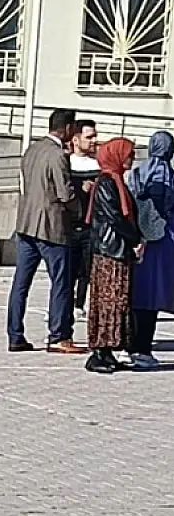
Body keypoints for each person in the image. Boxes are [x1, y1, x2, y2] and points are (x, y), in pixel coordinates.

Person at [7, 109, 82, 353]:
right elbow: (64, 193)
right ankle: (58, 335)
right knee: (61, 282)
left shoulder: (32, 150)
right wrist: (80, 208)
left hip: (26, 224)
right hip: (51, 227)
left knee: (21, 283)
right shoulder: (58, 155)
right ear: (68, 128)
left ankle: (15, 335)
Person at [84, 137, 140, 374]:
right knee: (109, 302)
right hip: (109, 251)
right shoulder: (108, 183)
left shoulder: (116, 181)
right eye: (128, 153)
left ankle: (107, 352)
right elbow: (115, 218)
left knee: (117, 302)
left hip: (117, 250)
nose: (132, 158)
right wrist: (135, 239)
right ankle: (98, 353)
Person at [129, 130, 174, 370]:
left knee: (137, 295)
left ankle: (133, 344)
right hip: (164, 242)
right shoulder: (167, 175)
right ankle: (143, 348)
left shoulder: (136, 174)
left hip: (137, 240)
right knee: (154, 296)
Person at [68, 120, 100, 318]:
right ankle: (65, 304)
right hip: (69, 226)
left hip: (90, 226)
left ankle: (80, 304)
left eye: (95, 136)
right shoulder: (66, 162)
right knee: (67, 269)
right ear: (76, 139)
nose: (94, 141)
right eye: (89, 137)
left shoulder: (97, 165)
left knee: (86, 270)